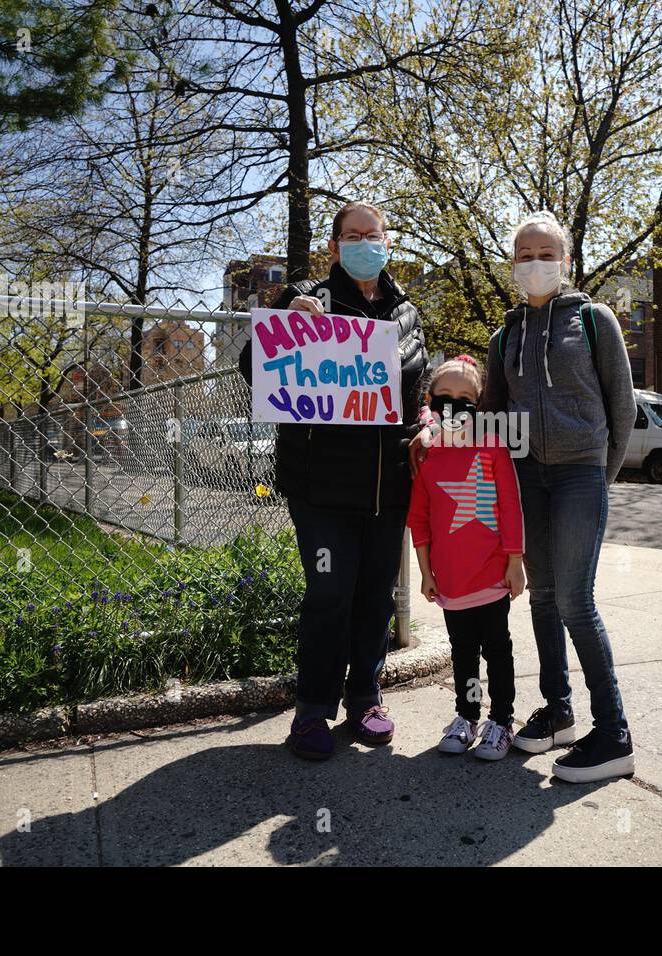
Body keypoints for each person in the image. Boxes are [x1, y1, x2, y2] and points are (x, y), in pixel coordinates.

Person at [449, 210, 638, 784]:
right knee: (542, 597)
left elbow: (622, 407)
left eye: (545, 253)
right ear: (513, 266)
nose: (535, 264)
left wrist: (596, 478)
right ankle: (558, 711)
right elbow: (493, 416)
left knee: (577, 600)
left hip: (581, 473)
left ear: (566, 260)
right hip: (527, 478)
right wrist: (439, 431)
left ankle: (614, 736)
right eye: (524, 255)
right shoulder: (504, 335)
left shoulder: (596, 320)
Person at [240, 201, 428, 761]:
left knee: (375, 598)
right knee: (329, 595)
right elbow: (254, 367)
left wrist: (429, 426)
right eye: (351, 235)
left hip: (387, 487)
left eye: (373, 234)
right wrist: (289, 320)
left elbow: (414, 394)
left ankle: (366, 698)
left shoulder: (407, 312)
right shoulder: (308, 299)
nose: (363, 243)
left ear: (388, 241)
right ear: (334, 246)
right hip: (322, 488)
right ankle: (312, 709)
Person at [406, 355, 526, 761]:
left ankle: (502, 720)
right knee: (463, 653)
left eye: (465, 398)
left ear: (478, 404)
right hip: (451, 578)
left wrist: (514, 561)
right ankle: (466, 715)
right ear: (431, 400)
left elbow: (510, 506)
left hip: (491, 574)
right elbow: (419, 519)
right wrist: (425, 572)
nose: (455, 405)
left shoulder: (492, 445)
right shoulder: (427, 453)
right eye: (445, 397)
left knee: (497, 649)